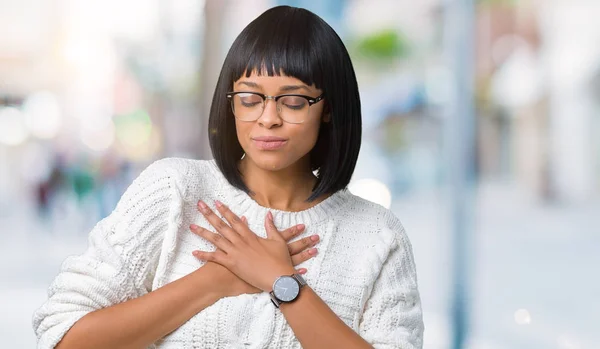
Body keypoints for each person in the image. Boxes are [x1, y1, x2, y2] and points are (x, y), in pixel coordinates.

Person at [33, 6, 424, 349]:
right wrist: (215, 280)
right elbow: (63, 336)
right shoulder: (175, 191)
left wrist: (283, 284)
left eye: (292, 101)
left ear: (327, 109)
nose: (268, 118)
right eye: (250, 98)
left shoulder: (377, 235)